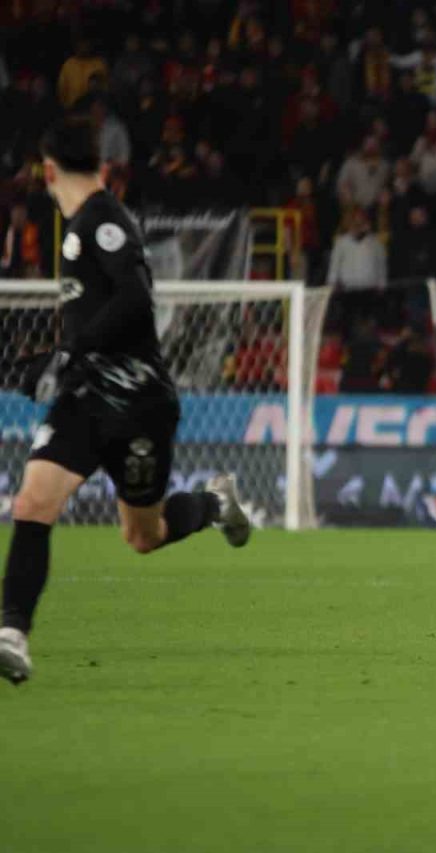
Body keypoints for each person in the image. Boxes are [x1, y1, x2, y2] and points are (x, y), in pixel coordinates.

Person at [0, 117, 250, 685]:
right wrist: (58, 361)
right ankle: (13, 635)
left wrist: (71, 352)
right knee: (33, 501)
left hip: (138, 401)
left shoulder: (103, 219)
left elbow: (136, 299)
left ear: (48, 171)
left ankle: (214, 503)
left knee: (144, 535)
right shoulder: (80, 225)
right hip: (85, 398)